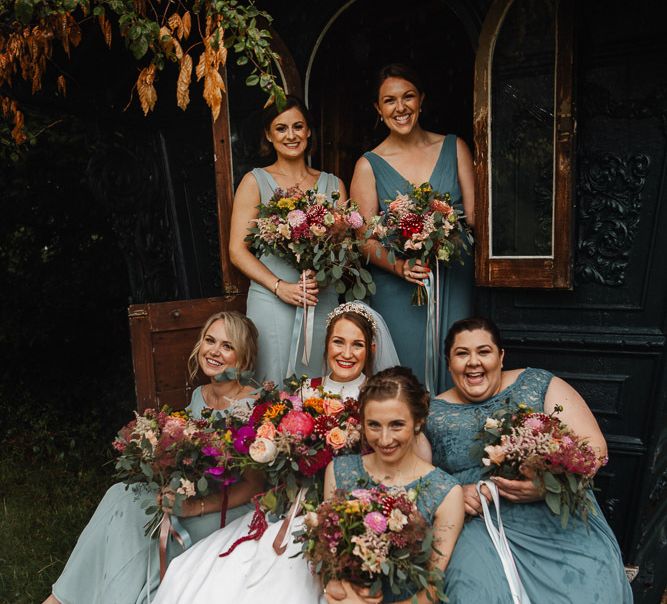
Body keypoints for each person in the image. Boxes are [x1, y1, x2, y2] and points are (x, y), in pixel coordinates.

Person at [153, 301, 401, 604]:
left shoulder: (381, 396)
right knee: (218, 571)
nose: (346, 353)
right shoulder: (303, 392)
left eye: (357, 345)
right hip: (294, 503)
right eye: (338, 342)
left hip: (348, 506)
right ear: (326, 345)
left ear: (371, 349)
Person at [44, 311, 264, 604]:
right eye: (210, 340)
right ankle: (62, 598)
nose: (215, 351)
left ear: (243, 357)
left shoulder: (253, 405)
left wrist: (195, 506)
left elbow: (253, 486)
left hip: (227, 507)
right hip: (193, 492)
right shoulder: (200, 395)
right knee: (122, 495)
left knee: (146, 524)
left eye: (227, 345)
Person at [425, 317, 633, 603]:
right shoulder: (432, 413)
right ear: (449, 363)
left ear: (500, 357)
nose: (473, 362)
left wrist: (549, 484)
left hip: (552, 511)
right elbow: (412, 476)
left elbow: (594, 448)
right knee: (476, 593)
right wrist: (452, 495)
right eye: (462, 354)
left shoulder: (537, 383)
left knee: (592, 584)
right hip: (478, 523)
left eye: (483, 351)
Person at [350, 63, 475, 392]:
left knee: (458, 359)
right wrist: (400, 266)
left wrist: (444, 233)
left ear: (422, 100)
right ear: (379, 109)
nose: (400, 107)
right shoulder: (368, 164)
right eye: (390, 101)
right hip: (398, 286)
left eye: (408, 97)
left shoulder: (454, 147)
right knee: (406, 377)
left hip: (452, 277)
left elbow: (476, 219)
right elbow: (363, 239)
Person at [230, 95, 347, 384]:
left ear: (309, 131)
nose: (291, 135)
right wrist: (279, 287)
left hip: (320, 296)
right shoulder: (255, 181)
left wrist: (323, 268)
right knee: (273, 387)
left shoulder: (334, 185)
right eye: (281, 128)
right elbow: (237, 250)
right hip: (272, 300)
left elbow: (344, 248)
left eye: (298, 126)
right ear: (269, 135)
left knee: (322, 387)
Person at [322, 366, 464, 604]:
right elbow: (329, 561)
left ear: (418, 422)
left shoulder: (446, 492)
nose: (385, 439)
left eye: (397, 425)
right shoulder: (339, 471)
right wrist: (338, 591)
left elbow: (433, 584)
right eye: (374, 425)